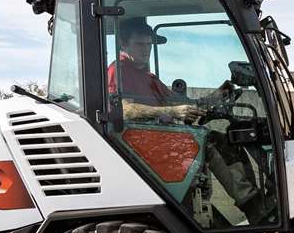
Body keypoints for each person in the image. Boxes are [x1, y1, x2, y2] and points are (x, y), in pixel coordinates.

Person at [108, 16, 269, 221]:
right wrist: (174, 113)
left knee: (230, 140)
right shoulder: (118, 71)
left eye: (148, 44)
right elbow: (123, 108)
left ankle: (254, 201)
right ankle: (255, 209)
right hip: (141, 144)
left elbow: (177, 103)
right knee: (211, 142)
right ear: (123, 44)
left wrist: (215, 97)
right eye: (140, 44)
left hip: (159, 140)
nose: (146, 49)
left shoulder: (149, 78)